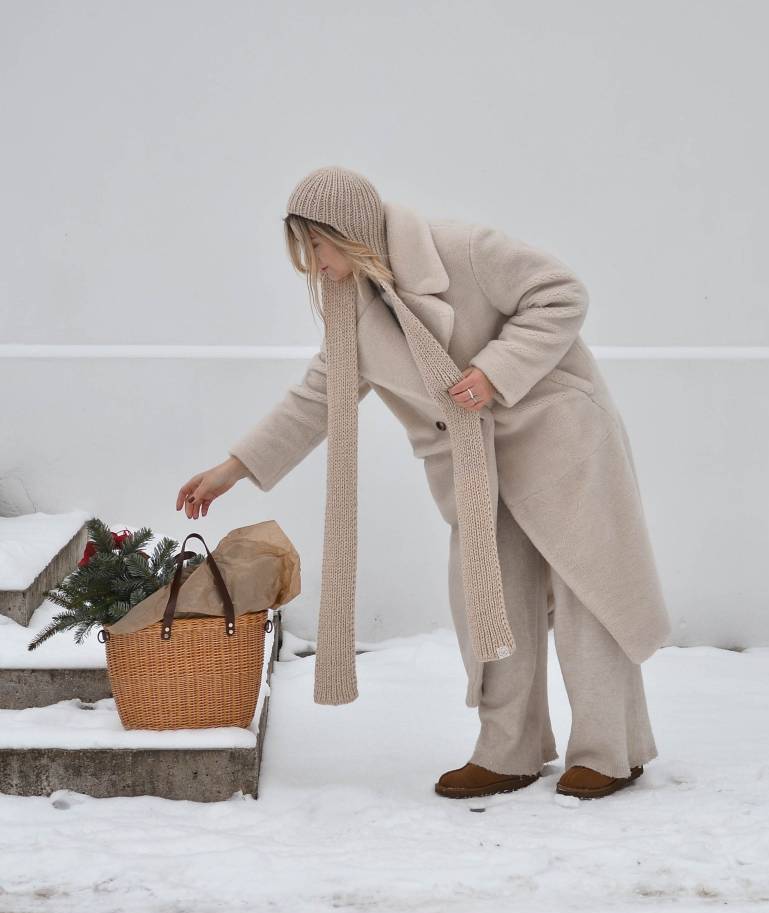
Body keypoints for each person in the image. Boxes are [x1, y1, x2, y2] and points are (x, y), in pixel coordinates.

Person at [176, 165, 671, 801]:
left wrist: (494, 370)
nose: (314, 267)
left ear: (346, 233)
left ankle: (611, 750)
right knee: (491, 602)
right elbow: (318, 396)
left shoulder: (461, 249)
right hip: (476, 469)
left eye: (317, 248)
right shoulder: (351, 308)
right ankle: (509, 750)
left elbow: (561, 293)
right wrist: (232, 470)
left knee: (587, 594)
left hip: (560, 438)